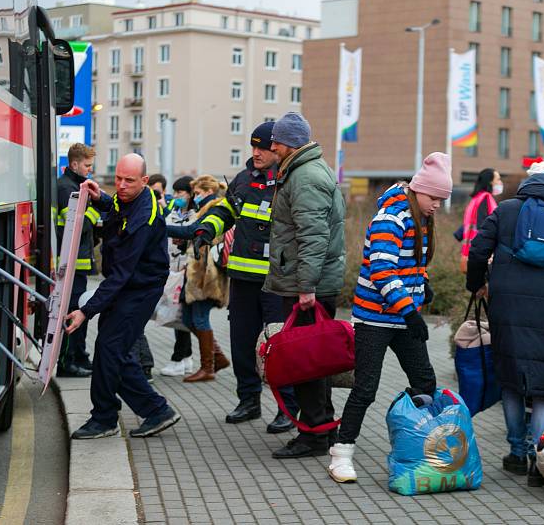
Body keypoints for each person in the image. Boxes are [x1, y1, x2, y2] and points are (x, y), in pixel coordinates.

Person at [328, 153, 451, 483]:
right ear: (418, 190)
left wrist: (423, 287)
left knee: (425, 382)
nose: (438, 205)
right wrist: (410, 311)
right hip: (374, 319)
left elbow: (414, 263)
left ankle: (412, 438)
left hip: (402, 315)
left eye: (442, 199)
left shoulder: (421, 217)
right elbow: (383, 270)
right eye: (434, 197)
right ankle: (341, 452)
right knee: (365, 388)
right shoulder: (391, 217)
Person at [465, 161, 544, 487]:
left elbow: (477, 251)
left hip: (507, 307)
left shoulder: (505, 210)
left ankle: (517, 453)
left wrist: (477, 284)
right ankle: (540, 462)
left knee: (511, 380)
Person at [183, 122, 298, 433]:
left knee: (278, 346)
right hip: (244, 280)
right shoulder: (244, 180)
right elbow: (226, 213)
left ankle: (287, 408)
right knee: (242, 343)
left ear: (278, 149)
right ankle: (249, 400)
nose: (256, 153)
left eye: (263, 147)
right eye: (253, 146)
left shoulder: (290, 182)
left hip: (277, 284)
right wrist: (207, 229)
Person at [65, 153, 180, 439]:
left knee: (110, 348)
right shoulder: (128, 197)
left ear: (144, 180)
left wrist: (86, 311)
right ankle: (152, 411)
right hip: (130, 285)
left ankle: (108, 417)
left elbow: (121, 274)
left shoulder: (145, 218)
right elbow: (117, 205)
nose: (122, 185)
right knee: (112, 350)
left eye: (129, 180)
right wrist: (102, 197)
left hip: (140, 289)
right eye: (118, 178)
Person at [263, 112, 346, 459]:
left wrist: (306, 286)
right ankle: (323, 428)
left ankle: (314, 434)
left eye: (276, 141)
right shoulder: (305, 170)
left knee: (306, 362)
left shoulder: (304, 177)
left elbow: (313, 236)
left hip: (307, 285)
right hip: (308, 280)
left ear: (289, 143)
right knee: (315, 360)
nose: (271, 147)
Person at [170, 175, 231, 382]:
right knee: (188, 318)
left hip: (207, 275)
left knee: (199, 318)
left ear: (207, 192)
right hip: (196, 272)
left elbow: (197, 234)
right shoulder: (204, 210)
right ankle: (218, 357)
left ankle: (208, 368)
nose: (194, 197)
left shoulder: (215, 209)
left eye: (197, 193)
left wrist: (163, 228)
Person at [55, 143, 100, 378]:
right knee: (71, 313)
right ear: (74, 164)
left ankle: (80, 356)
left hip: (78, 264)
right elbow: (75, 225)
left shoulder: (76, 186)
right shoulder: (66, 188)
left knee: (80, 310)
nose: (90, 170)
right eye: (87, 165)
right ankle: (66, 363)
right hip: (71, 265)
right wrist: (96, 214)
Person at [159, 176, 201, 377]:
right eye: (175, 192)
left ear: (190, 194)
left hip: (188, 271)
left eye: (180, 193)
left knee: (183, 315)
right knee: (178, 315)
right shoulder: (172, 214)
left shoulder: (196, 216)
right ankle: (187, 359)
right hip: (173, 271)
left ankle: (178, 358)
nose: (176, 196)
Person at [455, 168, 503, 273]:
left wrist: (459, 234)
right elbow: (484, 225)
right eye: (498, 179)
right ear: (490, 181)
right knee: (483, 287)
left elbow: (471, 223)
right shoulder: (486, 198)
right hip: (481, 252)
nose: (500, 182)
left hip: (472, 249)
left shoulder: (477, 198)